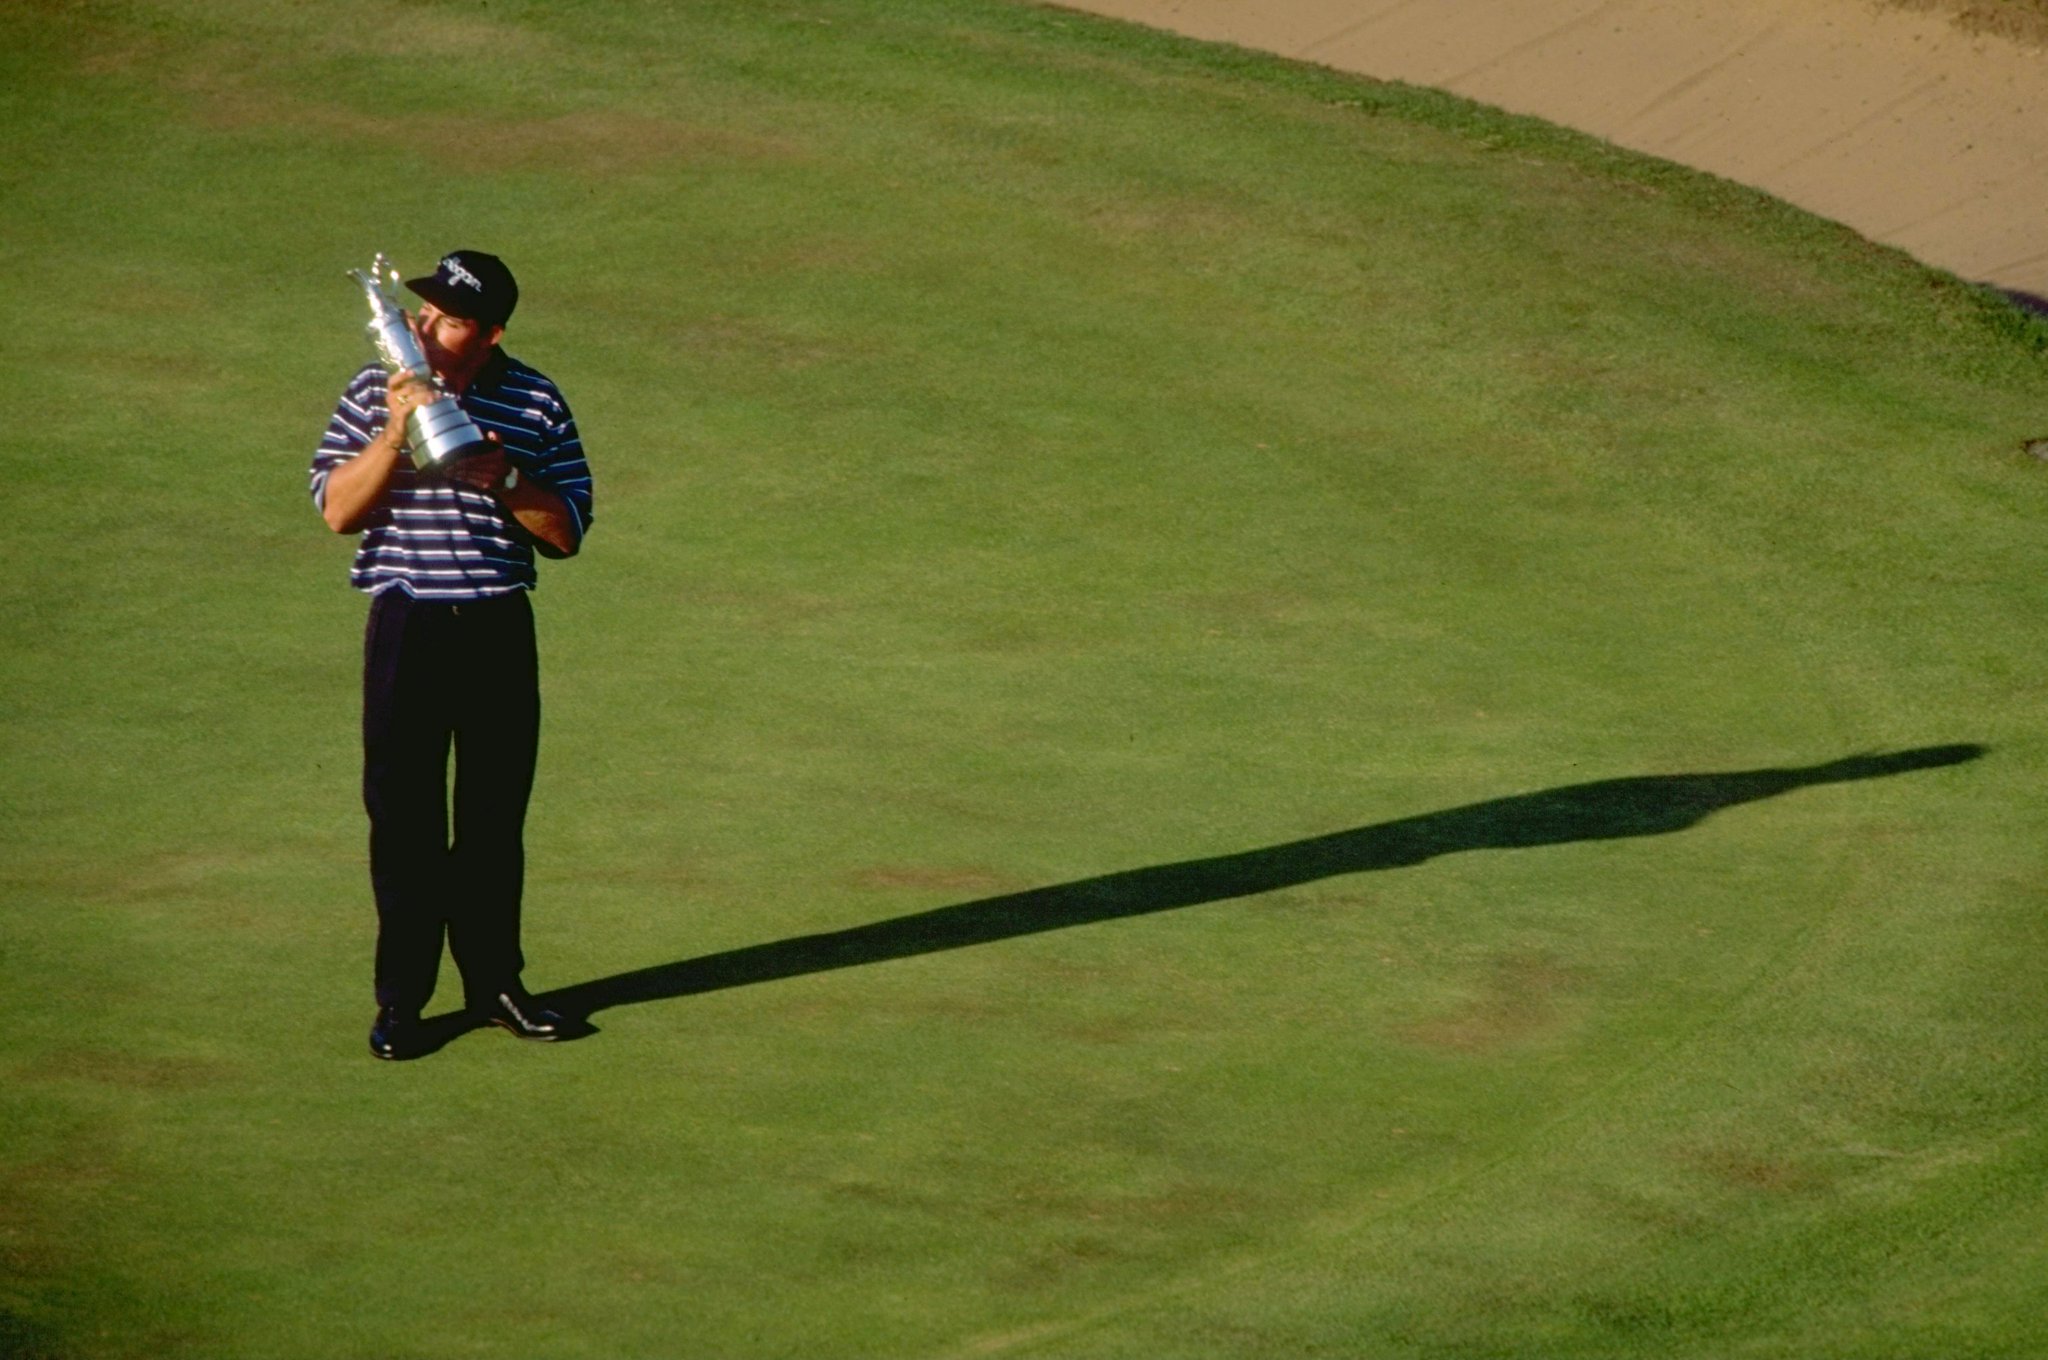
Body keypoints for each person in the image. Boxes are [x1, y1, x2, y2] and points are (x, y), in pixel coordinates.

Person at [310, 250, 594, 1060]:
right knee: (403, 825)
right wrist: (396, 436)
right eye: (426, 312)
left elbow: (567, 529)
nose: (429, 327)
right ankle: (401, 1001)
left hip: (498, 628)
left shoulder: (535, 398)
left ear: (491, 332)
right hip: (408, 627)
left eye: (453, 318)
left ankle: (496, 985)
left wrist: (505, 480)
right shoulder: (375, 391)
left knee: (493, 822)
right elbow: (337, 511)